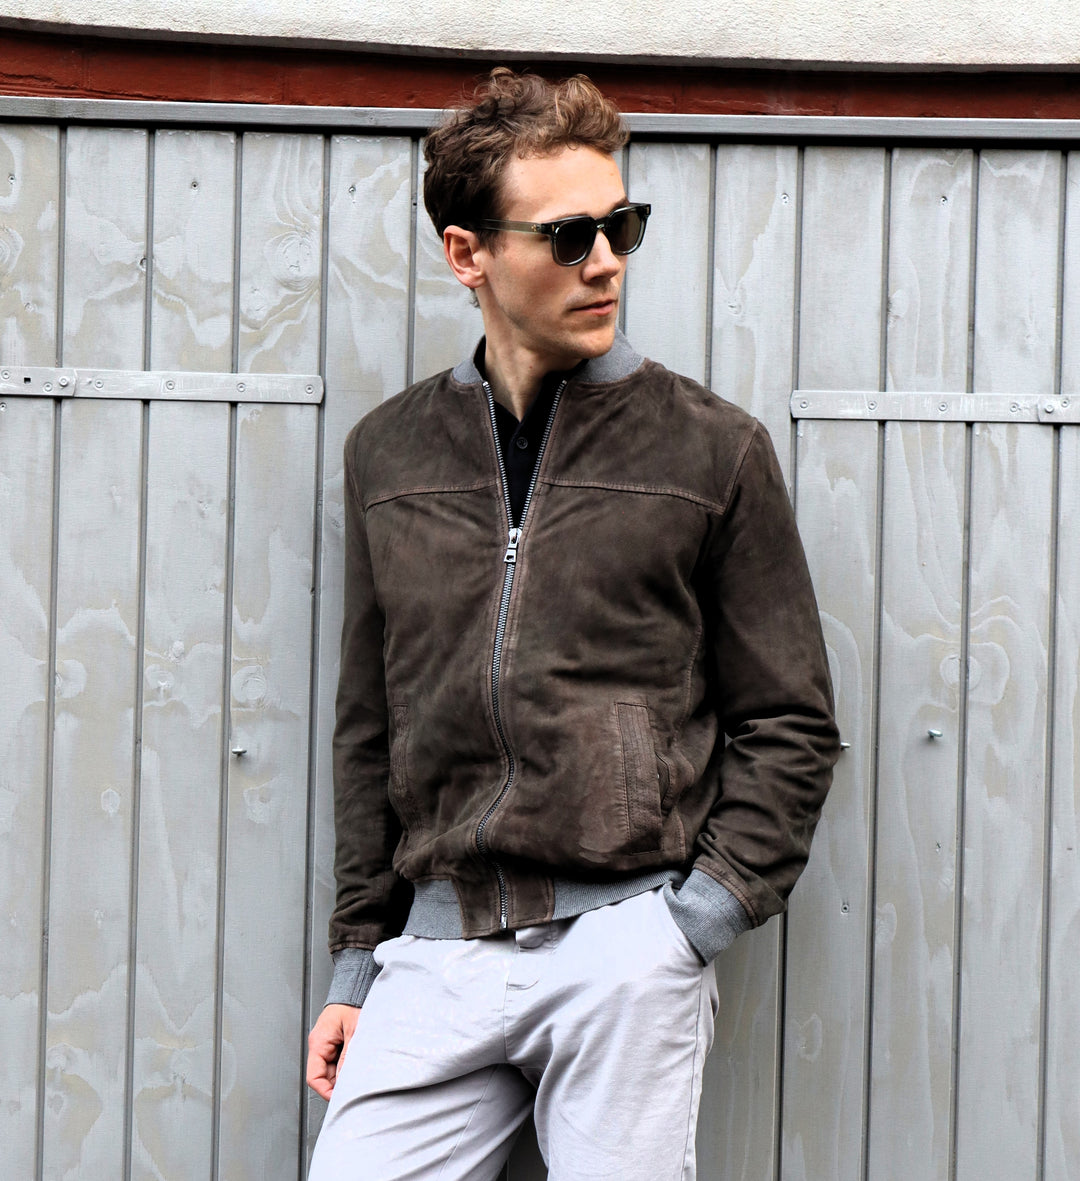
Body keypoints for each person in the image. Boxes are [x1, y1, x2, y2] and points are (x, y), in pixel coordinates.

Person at [306, 67, 839, 1181]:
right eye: (568, 236)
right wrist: (360, 956)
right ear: (468, 254)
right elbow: (370, 729)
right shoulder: (389, 454)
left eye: (620, 225)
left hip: (626, 943)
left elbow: (789, 719)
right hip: (438, 951)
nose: (606, 262)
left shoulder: (713, 449)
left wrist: (693, 923)